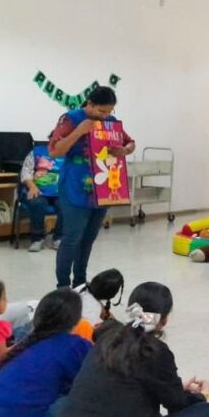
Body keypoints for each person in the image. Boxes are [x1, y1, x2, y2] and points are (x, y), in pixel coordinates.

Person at [50, 282, 209, 417]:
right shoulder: (155, 350)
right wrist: (200, 396)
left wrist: (174, 388)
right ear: (164, 320)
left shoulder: (106, 339)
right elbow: (177, 405)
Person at [0, 289, 91, 417]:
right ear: (77, 319)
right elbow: (92, 384)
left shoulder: (23, 344)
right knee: (81, 402)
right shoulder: (76, 345)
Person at [48, 86, 135, 289]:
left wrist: (124, 150)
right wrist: (79, 131)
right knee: (72, 237)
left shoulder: (110, 122)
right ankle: (63, 285)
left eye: (109, 111)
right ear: (89, 104)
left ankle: (80, 282)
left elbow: (130, 143)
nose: (104, 116)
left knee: (88, 239)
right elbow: (54, 151)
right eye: (101, 111)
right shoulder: (70, 119)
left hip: (102, 186)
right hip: (75, 185)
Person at [19, 143, 63, 253]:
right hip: (38, 190)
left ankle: (59, 238)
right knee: (38, 203)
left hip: (60, 192)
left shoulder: (68, 153)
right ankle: (37, 239)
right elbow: (25, 173)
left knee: (67, 204)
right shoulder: (36, 152)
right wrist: (32, 186)